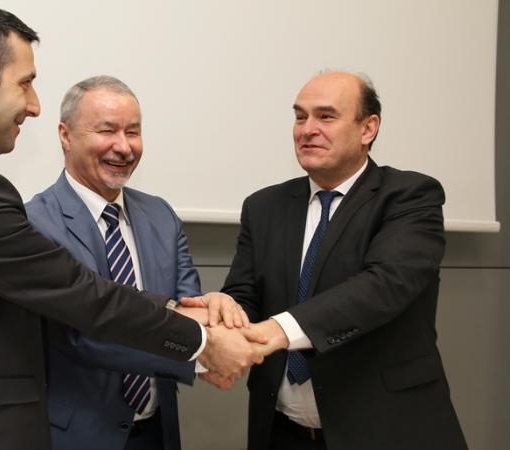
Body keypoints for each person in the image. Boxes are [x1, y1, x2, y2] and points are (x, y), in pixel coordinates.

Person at [0, 0, 262, 450]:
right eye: (25, 83)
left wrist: (191, 311)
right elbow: (81, 295)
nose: (34, 105)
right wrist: (201, 340)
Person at [186, 71, 468, 450]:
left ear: (368, 128)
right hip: (282, 432)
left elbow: (384, 285)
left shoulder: (410, 196)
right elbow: (246, 293)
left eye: (326, 116)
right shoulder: (264, 206)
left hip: (385, 431)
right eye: (300, 117)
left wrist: (276, 331)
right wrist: (224, 317)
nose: (308, 129)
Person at [25, 75, 212, 450]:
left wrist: (214, 311)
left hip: (158, 433)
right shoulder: (35, 223)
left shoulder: (161, 215)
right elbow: (82, 336)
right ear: (65, 135)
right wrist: (208, 352)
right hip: (78, 437)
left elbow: (186, 308)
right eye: (107, 130)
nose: (124, 147)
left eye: (134, 132)